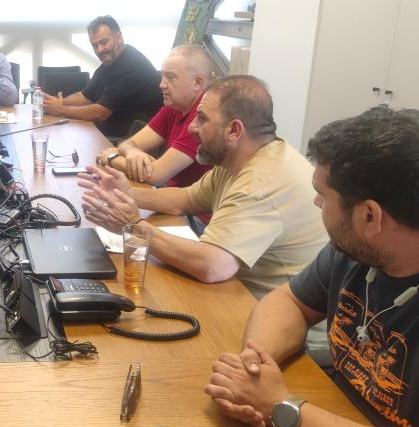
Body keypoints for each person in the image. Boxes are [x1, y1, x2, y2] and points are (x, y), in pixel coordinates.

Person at [203, 107, 419, 427]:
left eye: (323, 195)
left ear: (370, 216)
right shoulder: (356, 251)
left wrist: (285, 408)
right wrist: (256, 366)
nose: (317, 203)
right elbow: (290, 302)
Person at [79, 75, 328, 299]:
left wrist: (134, 226)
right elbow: (187, 198)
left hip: (267, 314)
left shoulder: (262, 181)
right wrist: (127, 193)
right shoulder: (240, 158)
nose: (191, 127)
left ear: (234, 130)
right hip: (241, 294)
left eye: (202, 118)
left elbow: (212, 266)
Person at [96, 44, 213, 189]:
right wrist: (133, 152)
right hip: (169, 194)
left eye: (170, 77)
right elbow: (128, 143)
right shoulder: (174, 107)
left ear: (197, 82)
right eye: (162, 76)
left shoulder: (202, 119)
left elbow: (156, 175)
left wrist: (112, 158)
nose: (161, 84)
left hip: (188, 202)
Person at [42, 15, 162, 140]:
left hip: (130, 139)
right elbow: (85, 96)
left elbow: (100, 113)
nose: (100, 50)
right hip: (108, 133)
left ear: (119, 37)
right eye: (95, 45)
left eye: (104, 42)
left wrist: (60, 110)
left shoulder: (130, 64)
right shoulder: (110, 62)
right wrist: (60, 102)